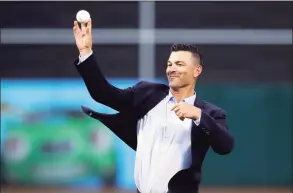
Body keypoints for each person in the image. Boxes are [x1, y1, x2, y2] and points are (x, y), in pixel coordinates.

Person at [73, 19, 234, 193]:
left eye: (180, 64)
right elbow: (104, 94)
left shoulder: (210, 113)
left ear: (197, 70)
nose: (172, 69)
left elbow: (225, 146)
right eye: (169, 64)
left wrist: (198, 115)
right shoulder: (147, 93)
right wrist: (86, 53)